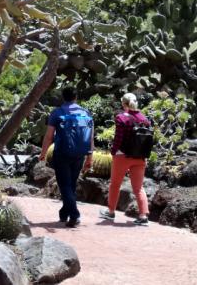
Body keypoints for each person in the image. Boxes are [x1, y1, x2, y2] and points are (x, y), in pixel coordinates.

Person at [39, 87, 94, 228]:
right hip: (80, 154)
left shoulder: (57, 113)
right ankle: (64, 213)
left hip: (62, 154)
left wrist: (43, 153)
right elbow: (90, 137)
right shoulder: (85, 112)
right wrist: (90, 157)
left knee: (65, 185)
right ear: (76, 97)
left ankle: (74, 215)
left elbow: (49, 136)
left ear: (63, 97)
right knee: (70, 186)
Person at [99, 93, 151, 225]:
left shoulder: (121, 118)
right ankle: (143, 216)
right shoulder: (144, 119)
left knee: (115, 184)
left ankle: (110, 212)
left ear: (124, 103)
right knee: (138, 188)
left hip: (122, 156)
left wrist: (113, 151)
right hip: (140, 157)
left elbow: (119, 138)